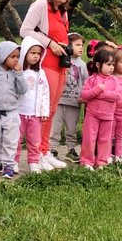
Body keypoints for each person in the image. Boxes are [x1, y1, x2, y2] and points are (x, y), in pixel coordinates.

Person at [20, 0, 73, 169]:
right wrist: (50, 43)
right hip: (46, 64)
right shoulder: (41, 5)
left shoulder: (63, 10)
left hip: (61, 65)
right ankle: (36, 154)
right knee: (43, 109)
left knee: (51, 110)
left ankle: (45, 150)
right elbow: (25, 30)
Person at [0, 41, 26, 179]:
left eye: (17, 57)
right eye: (12, 56)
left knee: (11, 140)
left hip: (12, 113)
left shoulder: (17, 73)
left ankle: (9, 165)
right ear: (3, 56)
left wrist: (19, 74)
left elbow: (23, 90)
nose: (16, 60)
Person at [49, 32, 87, 164]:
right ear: (69, 46)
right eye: (77, 45)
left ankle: (71, 149)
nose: (81, 48)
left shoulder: (82, 65)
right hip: (59, 101)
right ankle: (52, 149)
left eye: (82, 45)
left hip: (74, 102)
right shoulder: (61, 59)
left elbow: (85, 82)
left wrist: (83, 96)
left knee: (72, 128)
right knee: (55, 127)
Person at [79, 48, 118, 169]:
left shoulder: (114, 80)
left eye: (113, 65)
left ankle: (101, 161)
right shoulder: (92, 79)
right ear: (98, 64)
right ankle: (86, 161)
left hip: (108, 116)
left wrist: (101, 94)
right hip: (92, 115)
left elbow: (117, 95)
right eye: (108, 64)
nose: (111, 67)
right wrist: (96, 90)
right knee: (89, 139)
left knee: (105, 140)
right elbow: (84, 95)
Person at [16, 38, 50, 174]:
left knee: (35, 141)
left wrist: (44, 111)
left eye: (38, 54)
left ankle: (34, 162)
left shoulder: (41, 73)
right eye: (33, 53)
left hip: (35, 114)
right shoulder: (18, 72)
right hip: (19, 112)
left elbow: (45, 93)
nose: (36, 56)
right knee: (16, 139)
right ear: (24, 53)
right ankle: (13, 161)